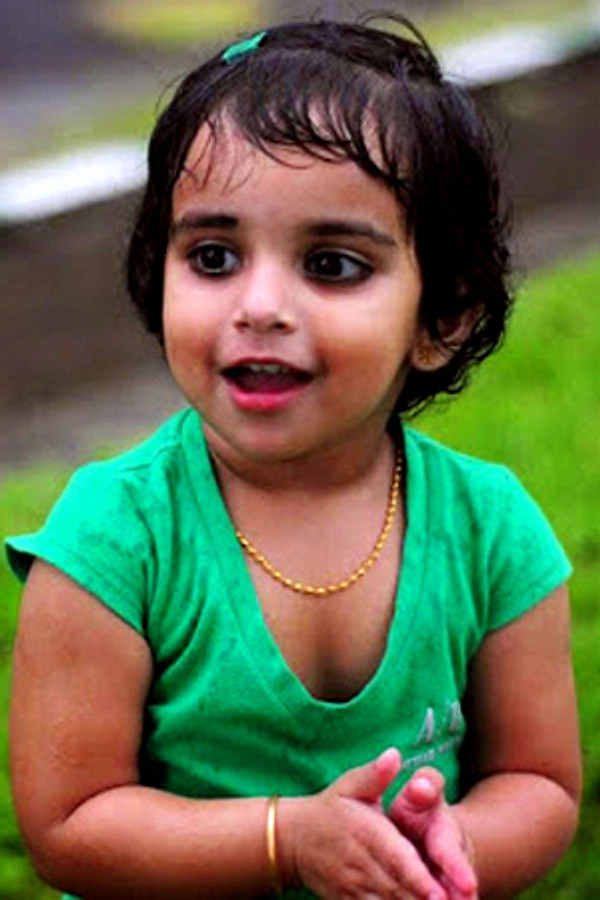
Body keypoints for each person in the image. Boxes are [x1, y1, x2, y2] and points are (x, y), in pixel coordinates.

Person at [6, 17, 580, 900]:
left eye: (332, 265)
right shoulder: (115, 541)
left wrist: (441, 848)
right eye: (213, 257)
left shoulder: (490, 531)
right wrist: (287, 840)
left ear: (442, 318)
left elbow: (539, 782)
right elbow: (70, 825)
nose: (260, 305)